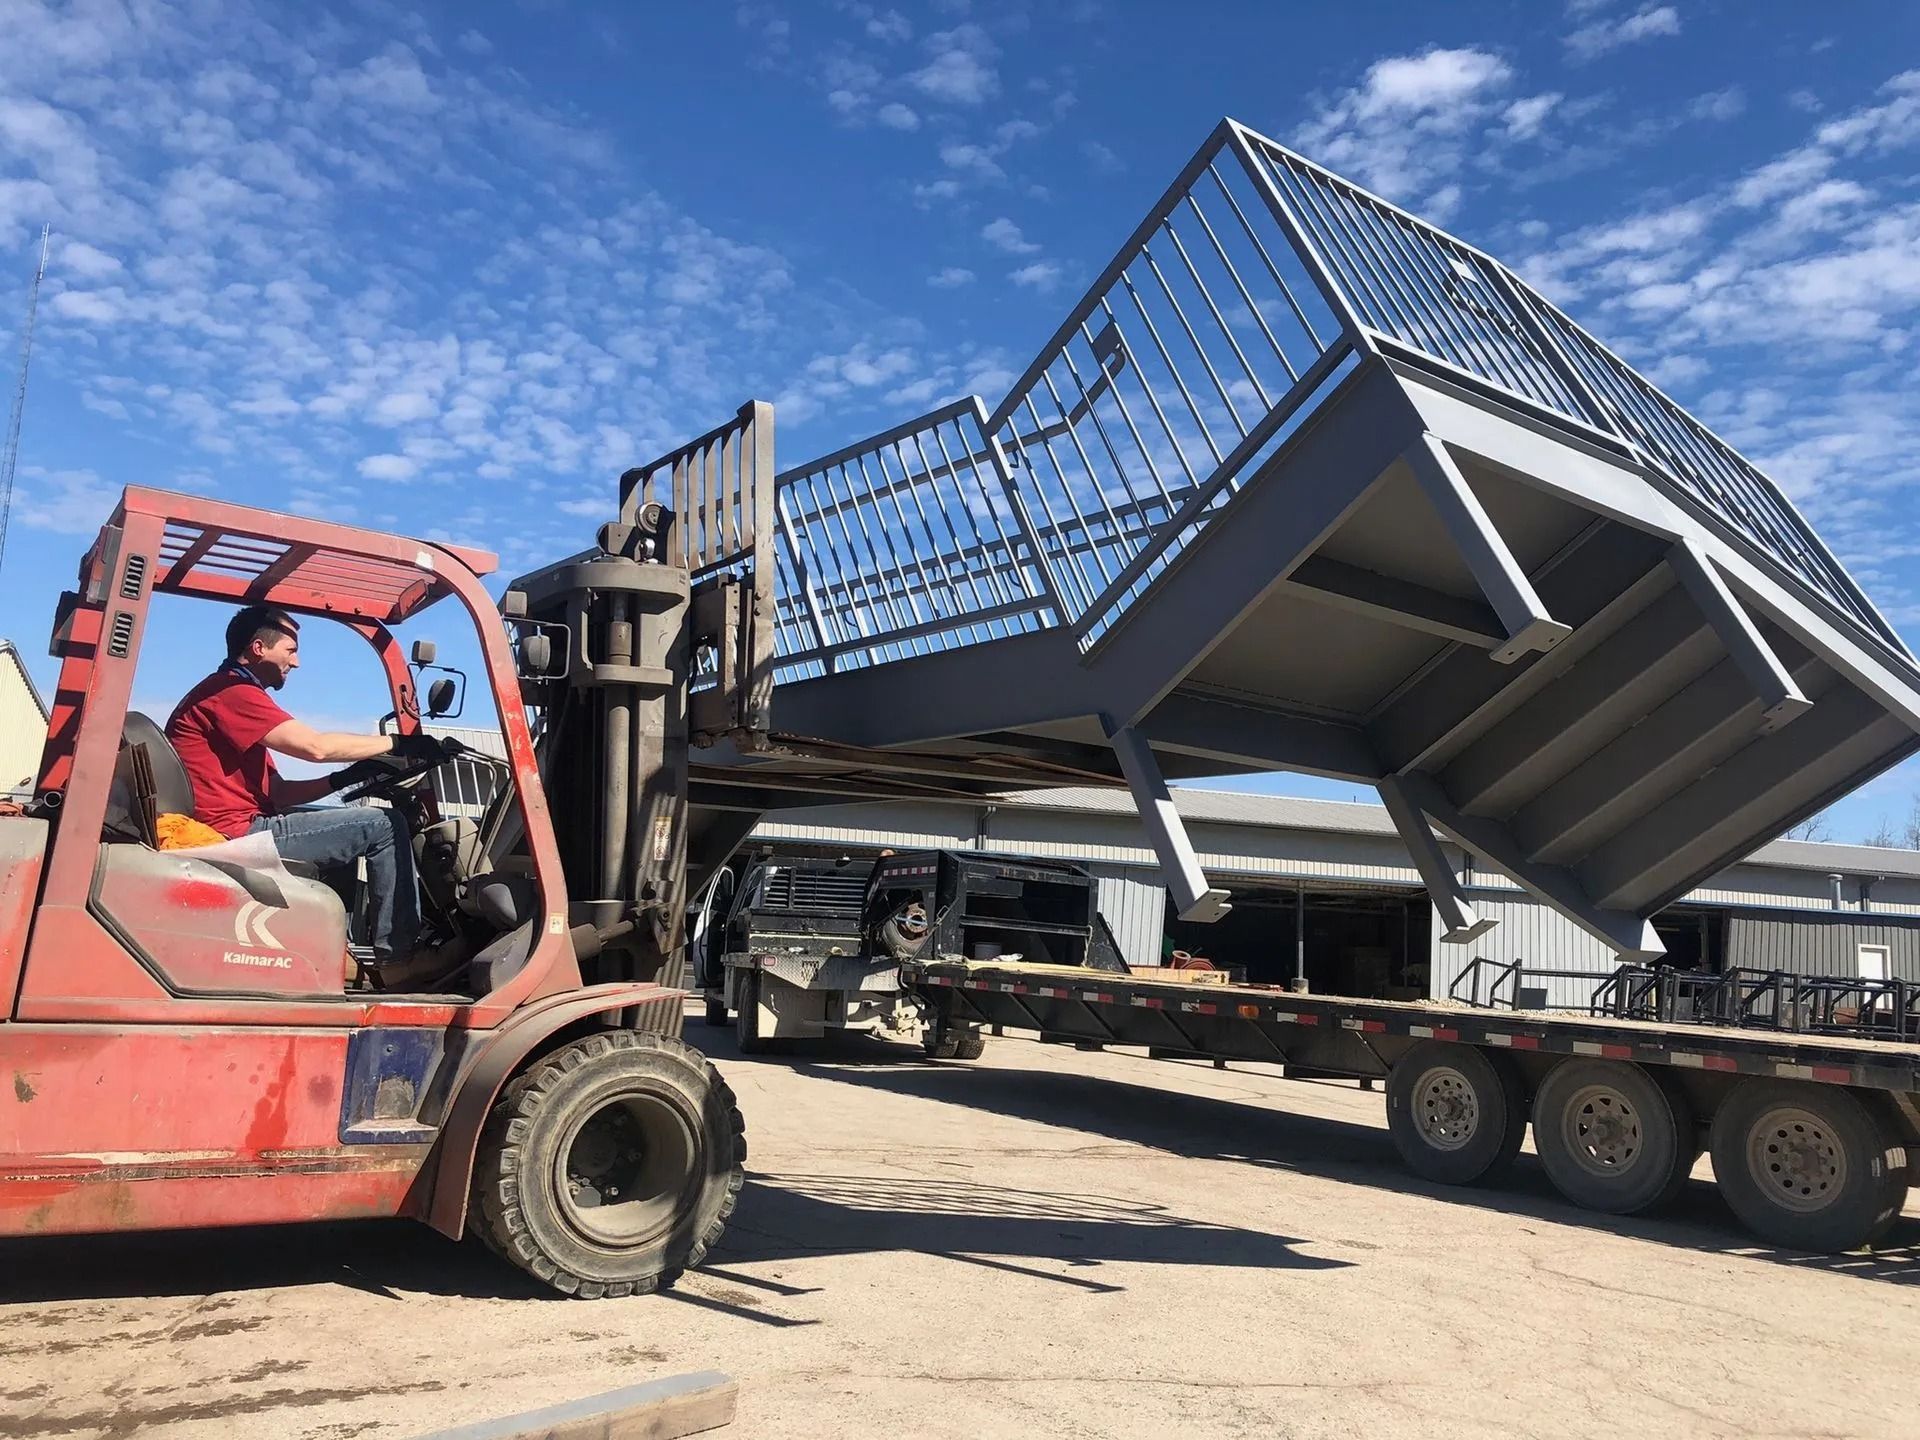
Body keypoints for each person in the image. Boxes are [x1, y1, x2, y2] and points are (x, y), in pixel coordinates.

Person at [165, 604, 453, 967]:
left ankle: (336, 955)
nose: (296, 662)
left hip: (238, 826)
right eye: (291, 650)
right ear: (259, 649)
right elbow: (315, 747)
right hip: (237, 834)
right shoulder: (233, 692)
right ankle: (399, 960)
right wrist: (397, 744)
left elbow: (278, 794)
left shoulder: (227, 697)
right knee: (384, 825)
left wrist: (344, 778)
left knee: (348, 831)